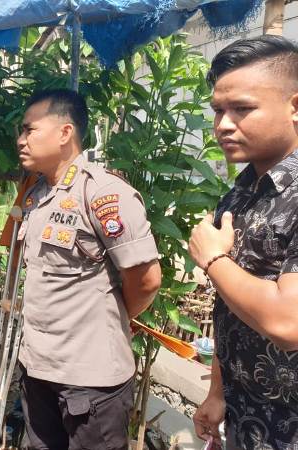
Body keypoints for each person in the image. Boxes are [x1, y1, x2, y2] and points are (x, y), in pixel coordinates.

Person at [14, 89, 162, 449]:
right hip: (38, 367)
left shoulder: (103, 194)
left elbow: (145, 280)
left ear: (65, 133)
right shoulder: (35, 195)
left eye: (29, 130)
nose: (21, 140)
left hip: (90, 378)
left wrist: (112, 316)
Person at [188, 35, 298, 449]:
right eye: (218, 110)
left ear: (295, 107)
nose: (223, 124)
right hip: (246, 417)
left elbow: (289, 322)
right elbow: (229, 303)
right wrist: (218, 393)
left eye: (242, 109)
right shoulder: (242, 191)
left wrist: (214, 258)